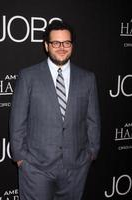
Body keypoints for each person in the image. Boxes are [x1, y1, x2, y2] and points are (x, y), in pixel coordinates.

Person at [10, 20, 100, 200]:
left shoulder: (87, 78)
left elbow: (93, 119)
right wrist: (21, 158)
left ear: (72, 45)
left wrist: (91, 152)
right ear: (46, 45)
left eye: (66, 42)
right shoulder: (28, 76)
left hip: (76, 167)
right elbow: (17, 120)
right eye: (56, 43)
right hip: (36, 167)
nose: (61, 47)